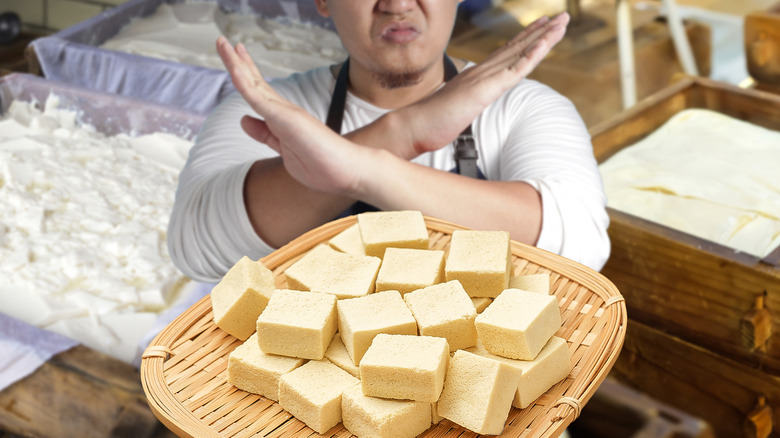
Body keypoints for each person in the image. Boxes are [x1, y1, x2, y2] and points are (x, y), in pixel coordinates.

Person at [167, 0, 610, 284]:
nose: (397, 4)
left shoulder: (523, 105)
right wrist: (405, 133)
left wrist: (365, 172)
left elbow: (580, 251)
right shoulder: (272, 109)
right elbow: (196, 249)